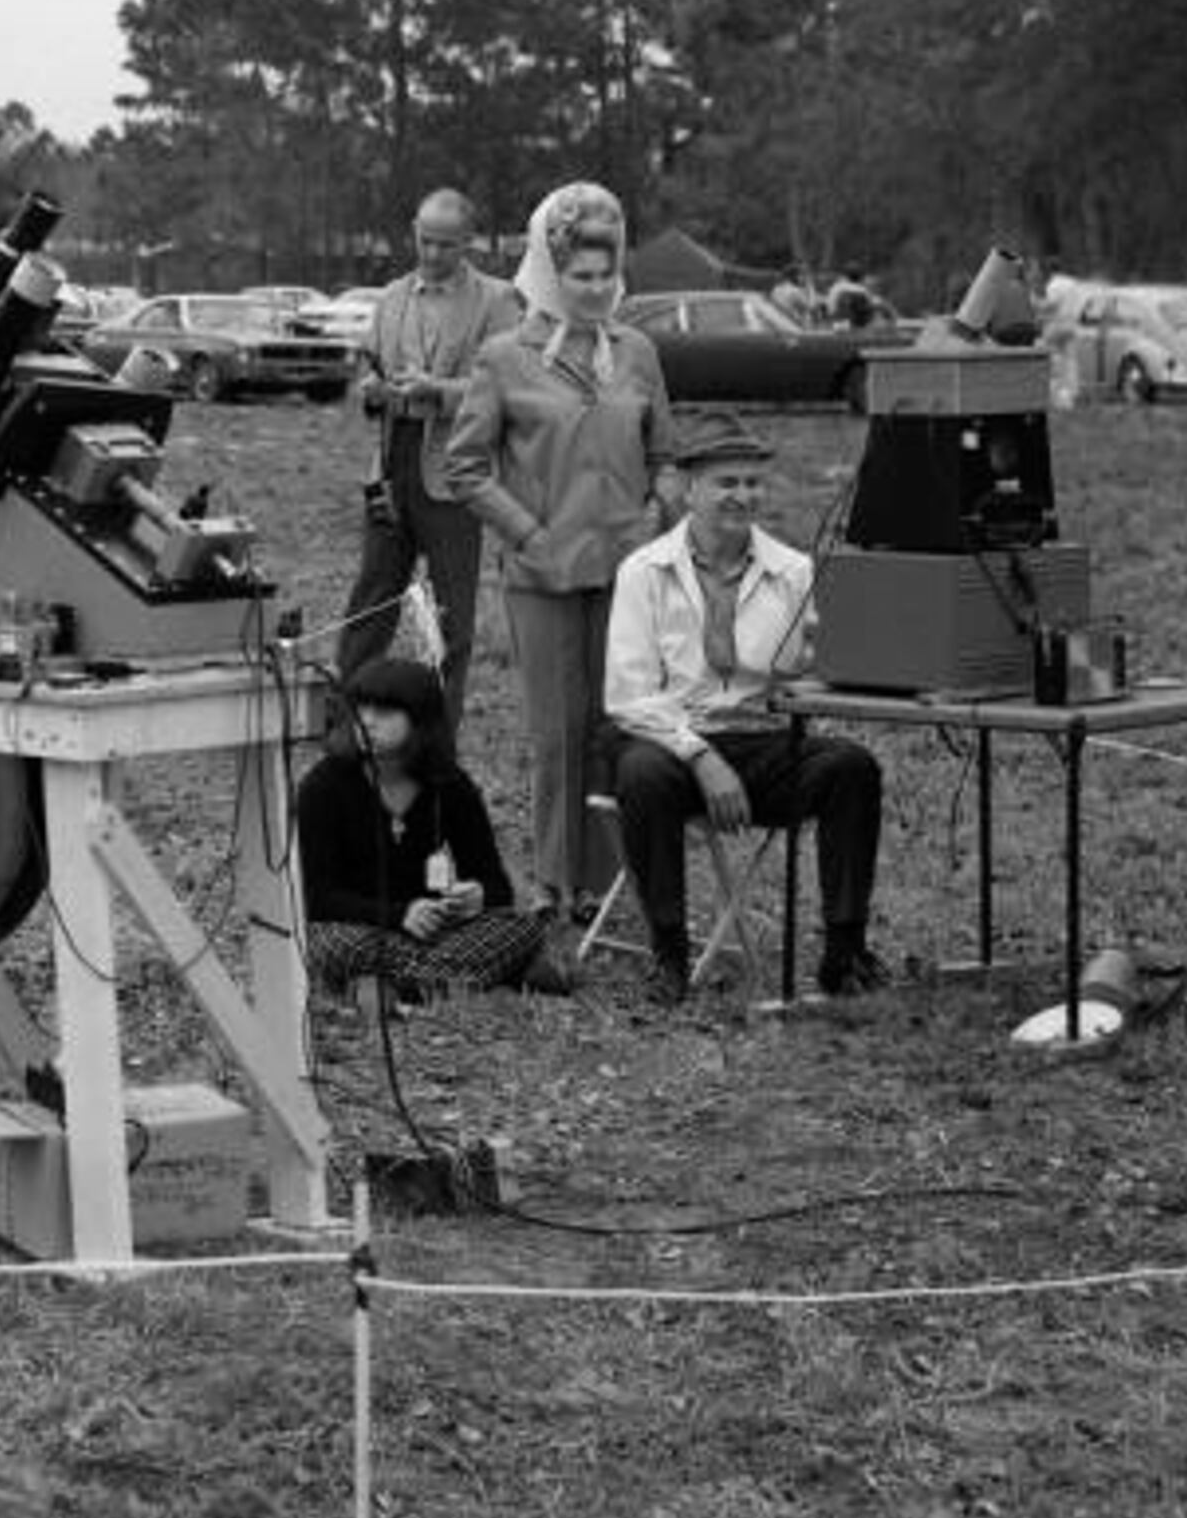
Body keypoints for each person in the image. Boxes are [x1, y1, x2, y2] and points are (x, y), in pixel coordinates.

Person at [443, 182, 670, 915]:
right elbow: (466, 466)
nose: (596, 290)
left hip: (626, 570)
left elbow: (666, 452)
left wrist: (653, 514)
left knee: (617, 724)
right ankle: (552, 876)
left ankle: (605, 885)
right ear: (552, 275)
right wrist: (527, 531)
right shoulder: (507, 356)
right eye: (581, 276)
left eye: (607, 276)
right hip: (541, 572)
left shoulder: (637, 352)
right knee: (556, 732)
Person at [602, 418, 886, 1000]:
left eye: (754, 483)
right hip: (672, 740)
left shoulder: (793, 571)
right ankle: (670, 956)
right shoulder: (643, 571)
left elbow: (814, 667)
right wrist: (701, 756)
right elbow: (629, 697)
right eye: (726, 482)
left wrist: (833, 664)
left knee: (852, 768)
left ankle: (844, 951)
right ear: (687, 489)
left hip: (761, 738)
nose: (743, 496)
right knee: (641, 775)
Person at [332, 190, 523, 731]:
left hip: (456, 473)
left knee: (450, 619)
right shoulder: (391, 297)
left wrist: (436, 390)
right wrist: (371, 389)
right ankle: (349, 723)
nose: (433, 253)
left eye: (446, 244)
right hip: (391, 465)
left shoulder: (497, 300)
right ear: (413, 231)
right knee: (371, 601)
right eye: (425, 240)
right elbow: (365, 372)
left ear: (468, 243)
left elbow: (506, 385)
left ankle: (439, 733)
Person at [294, 655, 573, 1001]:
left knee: (524, 927)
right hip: (361, 925)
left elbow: (495, 884)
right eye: (361, 710)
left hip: (433, 929)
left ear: (421, 721)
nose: (367, 722)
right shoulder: (324, 785)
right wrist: (398, 916)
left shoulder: (449, 784)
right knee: (334, 945)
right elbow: (317, 898)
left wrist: (475, 896)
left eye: (384, 713)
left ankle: (398, 985)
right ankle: (488, 975)